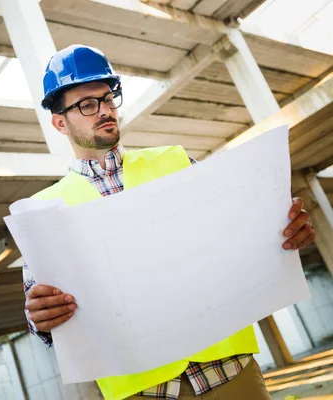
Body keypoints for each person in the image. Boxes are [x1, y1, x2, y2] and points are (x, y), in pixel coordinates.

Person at [22, 44, 317, 400]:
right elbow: (43, 315)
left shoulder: (176, 162)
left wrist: (281, 231)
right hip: (145, 390)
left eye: (108, 97)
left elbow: (234, 236)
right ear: (59, 122)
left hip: (230, 373)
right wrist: (40, 317)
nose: (105, 110)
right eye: (87, 104)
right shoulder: (44, 212)